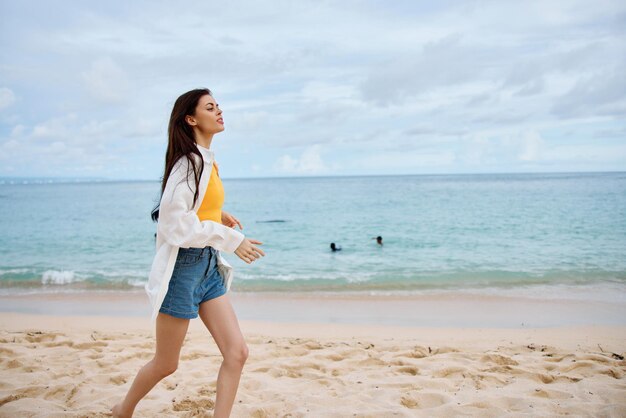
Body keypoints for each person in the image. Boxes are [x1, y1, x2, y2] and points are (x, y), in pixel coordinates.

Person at [112, 88, 265, 418]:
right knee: (166, 364)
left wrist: (216, 214)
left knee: (237, 353)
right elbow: (173, 226)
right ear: (192, 119)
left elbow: (193, 207)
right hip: (182, 270)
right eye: (211, 108)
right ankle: (123, 411)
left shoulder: (207, 161)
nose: (219, 111)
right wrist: (231, 237)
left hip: (207, 268)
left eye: (219, 106)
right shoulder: (188, 164)